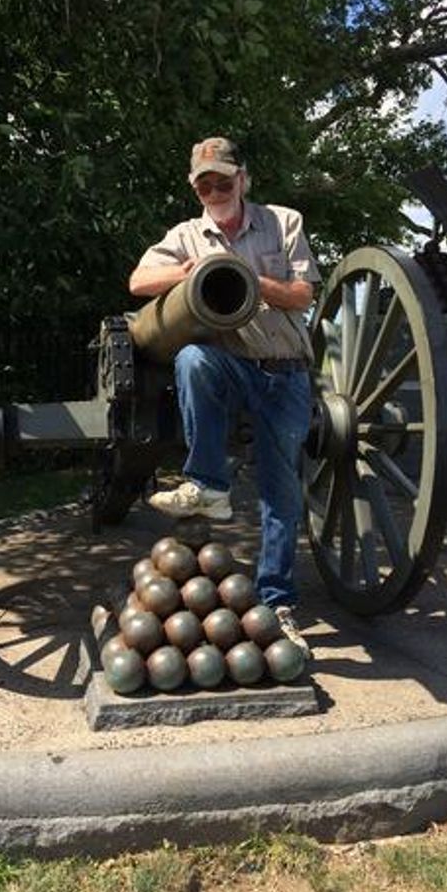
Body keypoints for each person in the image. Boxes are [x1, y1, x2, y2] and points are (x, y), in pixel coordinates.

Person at [129, 137, 321, 653]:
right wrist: (186, 271)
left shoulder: (283, 223)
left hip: (285, 372)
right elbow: (138, 281)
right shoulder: (188, 235)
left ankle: (276, 603)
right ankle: (208, 483)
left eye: (223, 180)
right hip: (231, 367)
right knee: (193, 359)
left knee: (281, 495)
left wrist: (253, 282)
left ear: (244, 179)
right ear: (196, 189)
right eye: (204, 183)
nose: (215, 189)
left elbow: (303, 294)